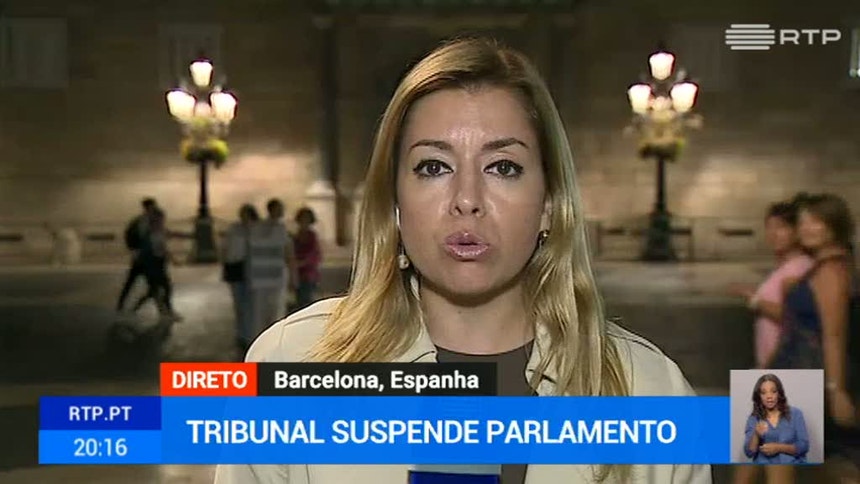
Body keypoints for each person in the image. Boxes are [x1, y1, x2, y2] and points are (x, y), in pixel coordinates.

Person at [215, 37, 711, 484]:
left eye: (503, 167)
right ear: (394, 203)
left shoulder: (652, 391)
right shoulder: (289, 364)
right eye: (434, 166)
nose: (467, 199)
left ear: (549, 204)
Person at [770, 193, 860, 481]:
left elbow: (834, 335)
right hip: (797, 371)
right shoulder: (829, 266)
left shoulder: (830, 271)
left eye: (816, 221)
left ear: (834, 225)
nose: (806, 228)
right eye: (803, 221)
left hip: (806, 372)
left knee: (781, 459)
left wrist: (836, 390)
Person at [730, 200, 814, 369]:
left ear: (796, 231)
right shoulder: (785, 268)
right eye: (769, 227)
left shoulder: (798, 269)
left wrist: (754, 299)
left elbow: (793, 316)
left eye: (781, 227)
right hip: (773, 363)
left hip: (786, 363)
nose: (773, 233)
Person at [246, 198, 298, 338]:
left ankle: (259, 341)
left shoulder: (256, 229)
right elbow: (289, 255)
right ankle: (273, 341)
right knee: (276, 315)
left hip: (260, 278)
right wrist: (294, 277)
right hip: (275, 277)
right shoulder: (281, 230)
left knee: (259, 315)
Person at [742, 374, 810, 475]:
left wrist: (779, 447)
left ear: (779, 393)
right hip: (765, 471)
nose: (769, 396)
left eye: (773, 391)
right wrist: (756, 434)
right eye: (763, 393)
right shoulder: (754, 418)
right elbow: (749, 453)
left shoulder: (796, 414)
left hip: (793, 469)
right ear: (759, 396)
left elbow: (804, 446)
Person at [130, 208, 182, 322]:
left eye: (162, 219)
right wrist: (173, 259)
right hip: (152, 264)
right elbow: (161, 248)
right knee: (165, 288)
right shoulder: (149, 233)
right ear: (155, 220)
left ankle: (136, 308)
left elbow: (168, 237)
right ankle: (168, 311)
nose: (162, 221)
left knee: (154, 291)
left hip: (159, 263)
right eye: (160, 219)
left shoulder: (161, 230)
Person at [222, 204, 260, 351]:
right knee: (239, 303)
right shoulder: (235, 229)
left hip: (251, 269)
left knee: (250, 304)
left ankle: (249, 334)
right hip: (236, 269)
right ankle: (242, 334)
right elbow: (227, 250)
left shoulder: (256, 230)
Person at [116, 197, 158, 312]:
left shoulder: (150, 221)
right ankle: (124, 305)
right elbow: (130, 235)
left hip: (146, 257)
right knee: (136, 282)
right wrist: (134, 250)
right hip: (142, 257)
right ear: (148, 207)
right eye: (152, 207)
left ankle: (123, 304)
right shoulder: (140, 221)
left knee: (134, 282)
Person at [292, 207, 322, 311]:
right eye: (302, 219)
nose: (304, 222)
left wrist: (301, 263)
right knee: (299, 301)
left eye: (306, 220)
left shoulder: (312, 236)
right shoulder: (295, 236)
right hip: (297, 274)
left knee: (307, 301)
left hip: (309, 274)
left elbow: (314, 255)